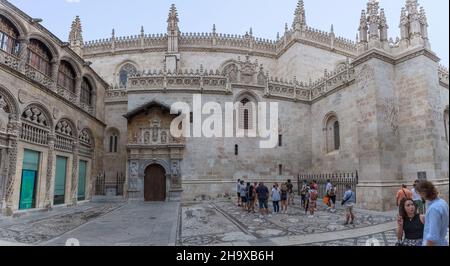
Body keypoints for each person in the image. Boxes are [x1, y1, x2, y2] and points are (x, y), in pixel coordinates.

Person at [416, 181, 449, 246]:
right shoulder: (442, 202)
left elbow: (433, 236)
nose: (419, 195)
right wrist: (427, 218)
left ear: (423, 193)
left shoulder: (433, 209)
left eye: (419, 193)